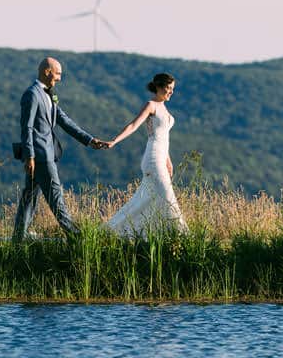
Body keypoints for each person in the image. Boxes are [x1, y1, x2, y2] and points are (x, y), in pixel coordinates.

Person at [13, 57, 108, 242]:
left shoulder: (50, 94)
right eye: (58, 74)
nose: (59, 78)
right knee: (55, 196)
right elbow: (27, 128)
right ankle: (76, 238)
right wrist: (30, 156)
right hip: (41, 156)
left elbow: (64, 120)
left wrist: (89, 140)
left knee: (29, 197)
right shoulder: (32, 94)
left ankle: (18, 238)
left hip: (46, 153)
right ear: (47, 72)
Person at [104, 73, 188, 236]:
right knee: (167, 197)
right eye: (168, 88)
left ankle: (132, 232)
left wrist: (168, 161)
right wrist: (114, 141)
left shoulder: (164, 108)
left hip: (161, 158)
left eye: (173, 89)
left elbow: (164, 138)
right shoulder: (151, 105)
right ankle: (179, 234)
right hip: (153, 158)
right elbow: (134, 125)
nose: (171, 92)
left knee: (147, 199)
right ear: (158, 87)